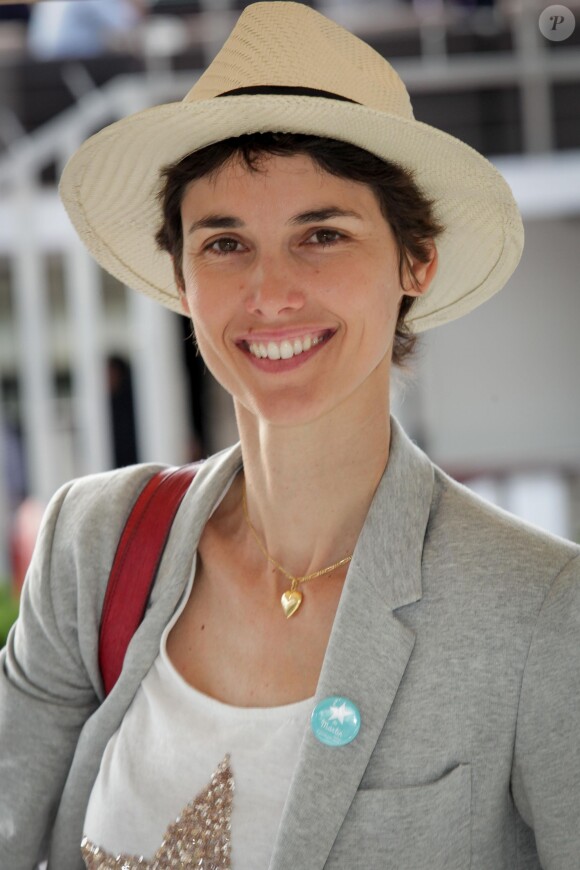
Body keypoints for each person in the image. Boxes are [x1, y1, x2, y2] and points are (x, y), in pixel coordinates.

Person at [1, 2, 579, 868]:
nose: (269, 293)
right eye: (225, 242)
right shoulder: (93, 546)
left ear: (415, 260)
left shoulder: (540, 610)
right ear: (180, 273)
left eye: (322, 234)